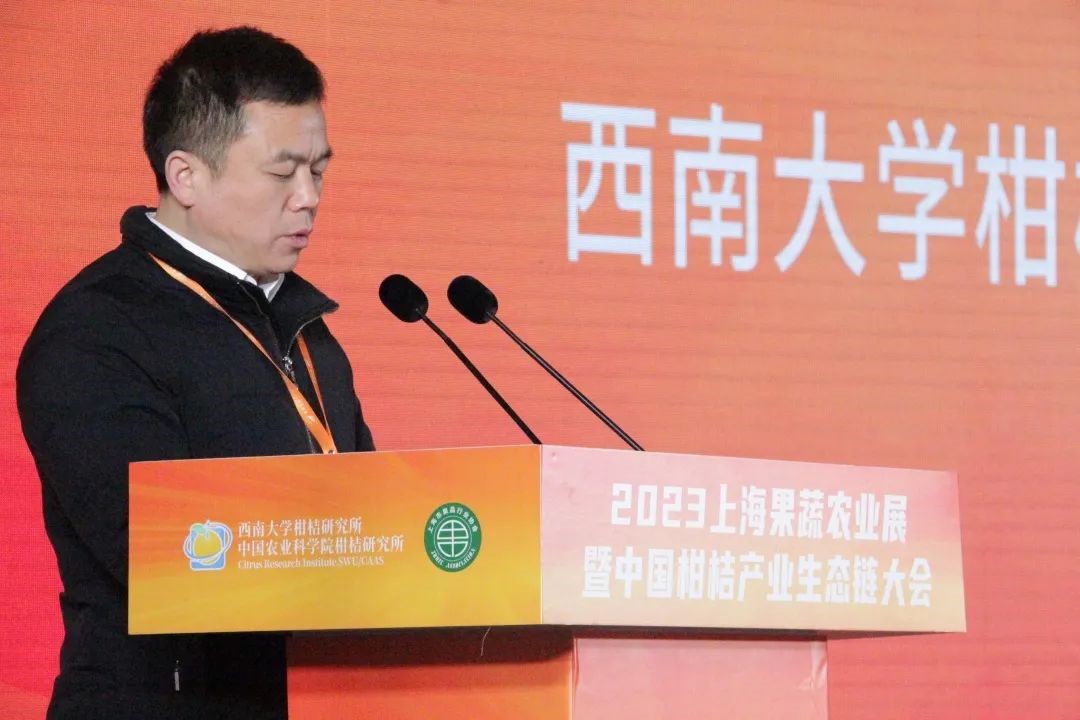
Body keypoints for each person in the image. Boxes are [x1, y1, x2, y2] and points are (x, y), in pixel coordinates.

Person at [16, 27, 374, 719]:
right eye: (283, 173)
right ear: (186, 176)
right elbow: (162, 550)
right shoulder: (98, 330)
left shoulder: (306, 330)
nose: (308, 197)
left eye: (319, 170)